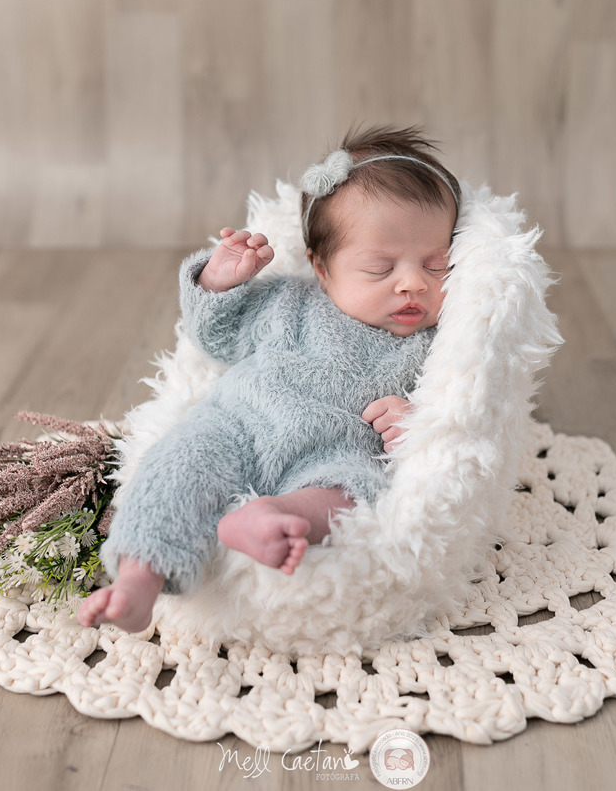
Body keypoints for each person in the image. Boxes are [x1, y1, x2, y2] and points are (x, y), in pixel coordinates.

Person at [78, 125, 461, 631]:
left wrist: (413, 420)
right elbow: (215, 335)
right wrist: (217, 282)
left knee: (352, 495)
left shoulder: (434, 342)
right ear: (322, 268)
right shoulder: (286, 300)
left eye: (436, 265)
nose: (413, 283)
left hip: (335, 452)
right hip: (237, 427)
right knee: (177, 464)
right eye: (379, 268)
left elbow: (455, 402)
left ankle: (271, 518)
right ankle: (138, 580)